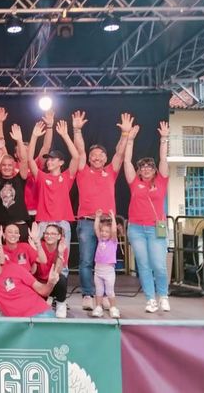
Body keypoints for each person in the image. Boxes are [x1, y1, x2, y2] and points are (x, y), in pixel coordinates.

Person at [73, 111, 129, 311]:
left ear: (105, 158)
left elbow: (120, 154)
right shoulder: (82, 170)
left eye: (100, 155)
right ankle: (88, 295)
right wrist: (77, 130)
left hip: (106, 223)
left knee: (107, 261)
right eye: (93, 156)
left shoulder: (111, 171)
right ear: (89, 158)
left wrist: (124, 134)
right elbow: (79, 150)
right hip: (87, 221)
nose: (97, 158)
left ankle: (104, 295)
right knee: (86, 260)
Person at [124, 120, 171, 313]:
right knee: (143, 265)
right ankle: (151, 299)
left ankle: (163, 296)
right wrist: (130, 140)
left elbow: (164, 160)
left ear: (154, 169)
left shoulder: (161, 181)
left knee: (159, 265)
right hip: (136, 228)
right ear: (139, 169)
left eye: (149, 166)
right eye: (142, 166)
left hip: (155, 228)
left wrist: (164, 139)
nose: (146, 168)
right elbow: (126, 161)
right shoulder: (134, 182)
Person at [0, 123, 40, 241]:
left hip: (20, 224)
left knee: (24, 252)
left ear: (14, 166)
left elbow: (24, 160)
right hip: (0, 227)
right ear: (0, 166)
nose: (7, 167)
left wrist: (19, 140)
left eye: (9, 165)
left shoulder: (19, 179)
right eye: (3, 165)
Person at [31, 223, 70, 318]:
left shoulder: (63, 248)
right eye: (47, 233)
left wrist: (60, 254)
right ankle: (47, 299)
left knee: (61, 279)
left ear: (59, 236)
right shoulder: (38, 246)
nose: (49, 236)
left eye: (53, 234)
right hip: (38, 282)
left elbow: (58, 272)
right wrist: (35, 252)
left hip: (52, 280)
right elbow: (32, 271)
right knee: (37, 310)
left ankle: (61, 303)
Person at [91, 209, 120, 318]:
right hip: (98, 270)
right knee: (98, 290)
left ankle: (113, 308)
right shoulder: (100, 240)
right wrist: (97, 217)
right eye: (102, 231)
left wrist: (113, 218)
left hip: (108, 271)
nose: (103, 233)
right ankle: (98, 307)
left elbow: (114, 231)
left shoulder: (113, 241)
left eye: (107, 232)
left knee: (109, 291)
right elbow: (96, 228)